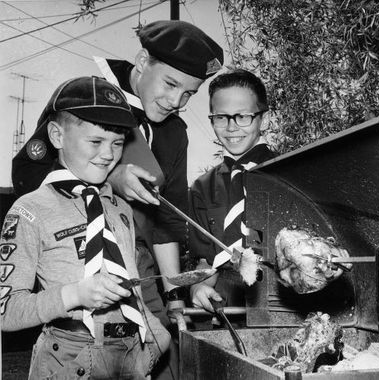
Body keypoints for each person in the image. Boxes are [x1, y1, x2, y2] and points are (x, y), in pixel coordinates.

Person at [11, 20, 224, 379]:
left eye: (189, 93)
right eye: (170, 84)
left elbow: (168, 221)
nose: (176, 101)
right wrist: (112, 176)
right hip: (76, 268)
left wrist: (177, 293)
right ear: (142, 62)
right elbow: (27, 173)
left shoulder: (175, 134)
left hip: (140, 272)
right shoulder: (87, 97)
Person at [0, 76, 170, 379]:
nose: (108, 154)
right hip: (68, 354)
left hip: (132, 351)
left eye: (118, 143)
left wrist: (159, 338)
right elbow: (7, 310)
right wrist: (74, 295)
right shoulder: (30, 210)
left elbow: (133, 292)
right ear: (56, 135)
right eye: (95, 141)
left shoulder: (120, 208)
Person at [189, 69, 277, 317]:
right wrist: (198, 288)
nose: (231, 127)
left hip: (283, 303)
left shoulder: (291, 174)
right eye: (221, 117)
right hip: (226, 309)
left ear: (265, 119)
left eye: (243, 116)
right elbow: (205, 262)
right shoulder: (202, 188)